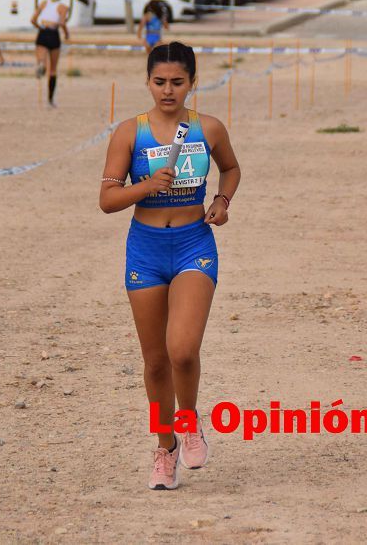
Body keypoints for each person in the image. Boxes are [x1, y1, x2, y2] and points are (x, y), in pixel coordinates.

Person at [99, 42, 241, 491]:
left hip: (193, 243)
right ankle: (165, 449)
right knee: (156, 361)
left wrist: (221, 200)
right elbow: (107, 199)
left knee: (182, 349)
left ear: (192, 83)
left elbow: (232, 169)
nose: (167, 90)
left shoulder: (208, 128)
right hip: (145, 249)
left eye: (177, 82)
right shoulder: (129, 132)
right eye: (159, 82)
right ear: (147, 82)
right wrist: (143, 186)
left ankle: (189, 419)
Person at [30, 0, 70, 108]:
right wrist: (66, 34)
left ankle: (41, 64)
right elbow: (62, 23)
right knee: (53, 70)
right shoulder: (63, 7)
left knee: (41, 58)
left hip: (43, 32)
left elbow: (33, 19)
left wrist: (39, 28)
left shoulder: (44, 3)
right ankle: (50, 99)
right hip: (53, 34)